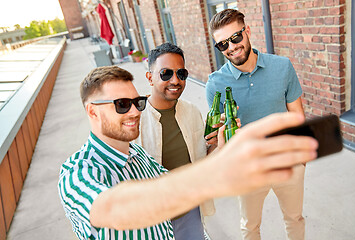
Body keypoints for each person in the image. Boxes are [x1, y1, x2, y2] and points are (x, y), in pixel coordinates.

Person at [58, 65, 318, 240]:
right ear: (92, 111)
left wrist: (226, 150)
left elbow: (178, 191)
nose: (136, 111)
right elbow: (115, 209)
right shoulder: (77, 172)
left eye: (138, 102)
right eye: (122, 105)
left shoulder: (139, 155)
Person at [206, 9, 306, 240]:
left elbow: (297, 116)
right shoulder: (215, 85)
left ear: (247, 31)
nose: (231, 47)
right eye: (222, 45)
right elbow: (216, 140)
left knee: (295, 219)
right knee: (249, 227)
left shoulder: (282, 67)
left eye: (235, 38)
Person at [134, 42, 214, 240]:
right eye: (166, 73)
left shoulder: (192, 112)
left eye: (181, 74)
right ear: (150, 77)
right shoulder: (134, 120)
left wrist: (217, 142)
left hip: (191, 210)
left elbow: (201, 159)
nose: (175, 80)